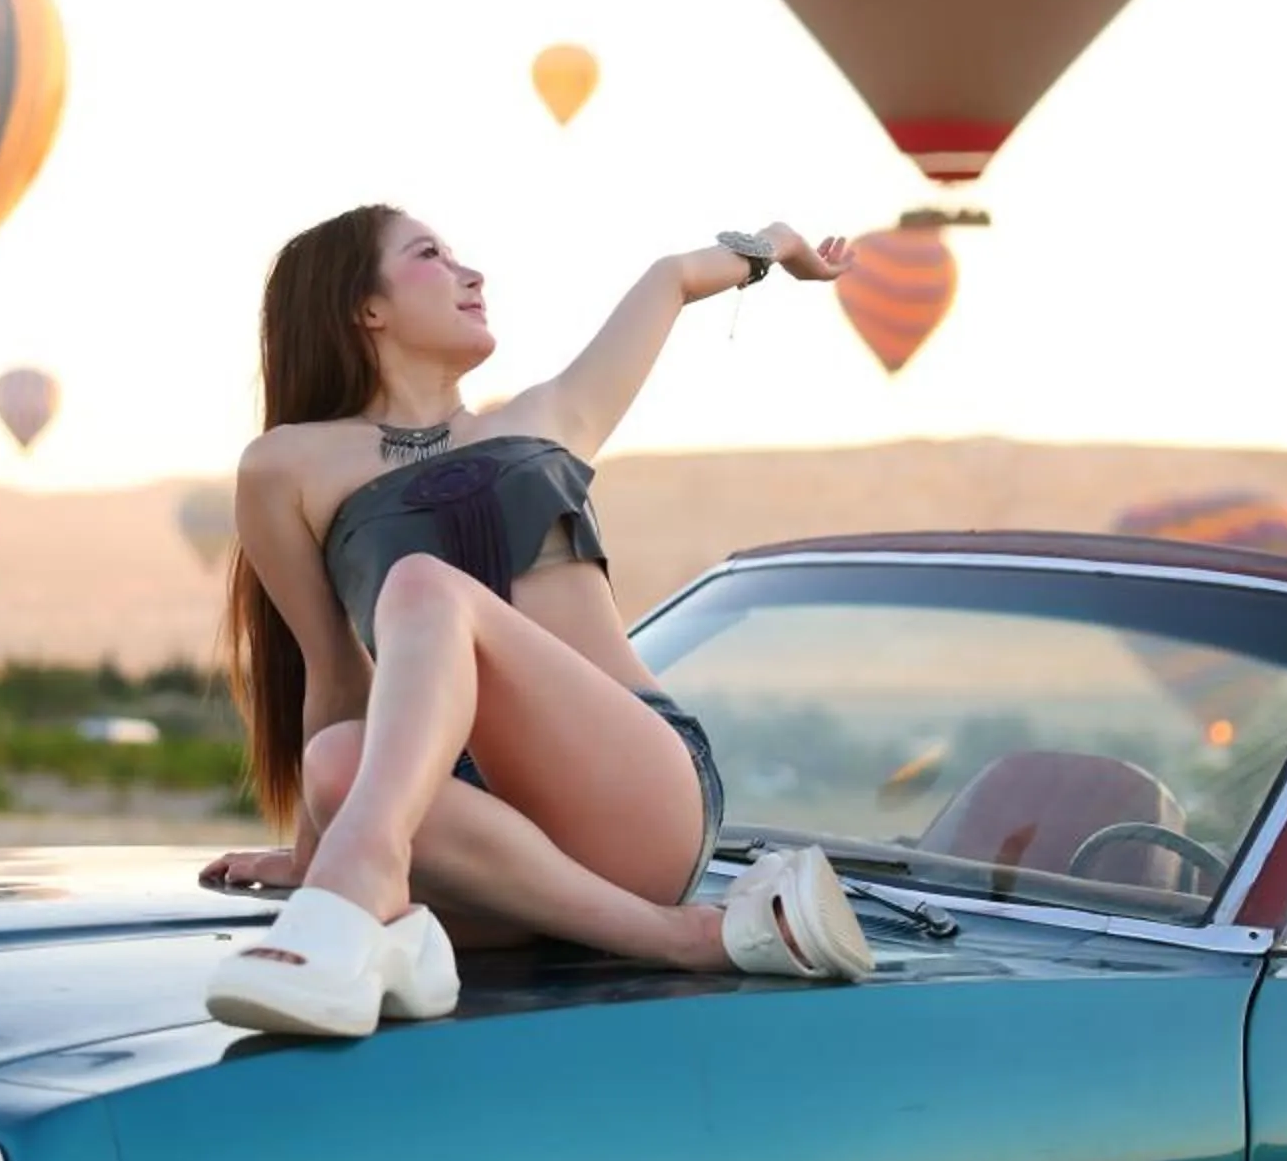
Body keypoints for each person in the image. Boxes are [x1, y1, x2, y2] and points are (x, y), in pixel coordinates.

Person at [199, 205, 876, 1038]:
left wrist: (781, 246)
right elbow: (338, 683)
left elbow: (671, 279)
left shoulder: (547, 416)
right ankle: (665, 936)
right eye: (431, 257)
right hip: (494, 845)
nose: (470, 274)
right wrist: (313, 847)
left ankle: (363, 880)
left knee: (420, 585)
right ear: (364, 307)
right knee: (339, 758)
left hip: (634, 792)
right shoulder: (286, 466)